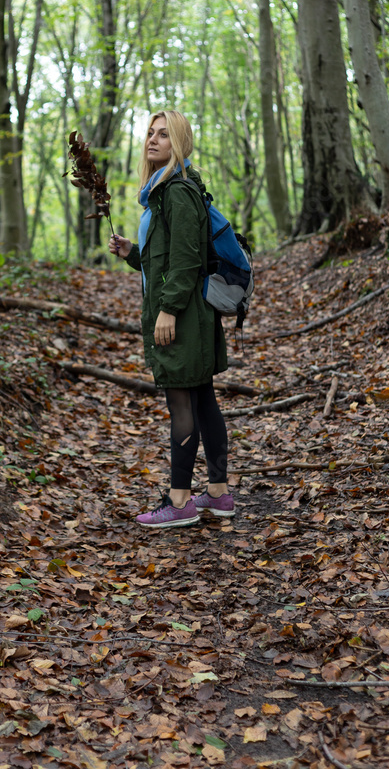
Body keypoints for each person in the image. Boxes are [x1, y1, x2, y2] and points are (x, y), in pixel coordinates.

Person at [109, 110, 235, 528]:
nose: (153, 140)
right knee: (203, 401)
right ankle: (217, 493)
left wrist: (168, 309)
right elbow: (164, 261)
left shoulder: (176, 192)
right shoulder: (168, 191)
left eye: (163, 134)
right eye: (150, 133)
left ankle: (180, 501)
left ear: (179, 142)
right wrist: (133, 253)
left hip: (184, 316)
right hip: (192, 313)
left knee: (182, 404)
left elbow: (186, 261)